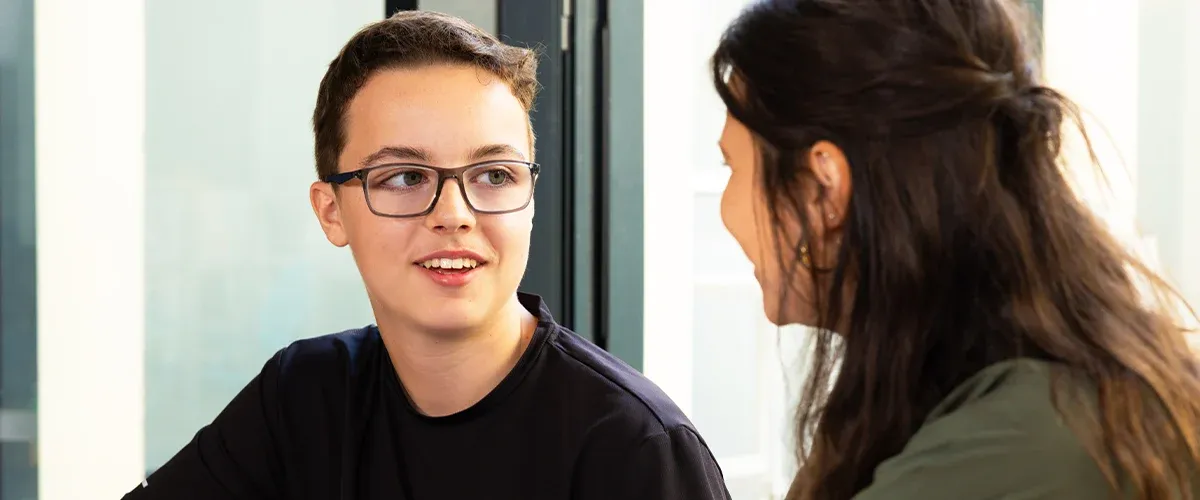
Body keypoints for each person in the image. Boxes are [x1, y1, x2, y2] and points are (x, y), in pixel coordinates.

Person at [123, 11, 730, 500]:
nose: (455, 213)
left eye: (494, 174)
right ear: (331, 210)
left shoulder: (634, 448)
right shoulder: (304, 397)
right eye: (405, 177)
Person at [711, 1, 1200, 499]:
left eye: (733, 166)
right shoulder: (951, 399)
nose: (726, 211)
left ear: (823, 187)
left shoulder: (1018, 447)